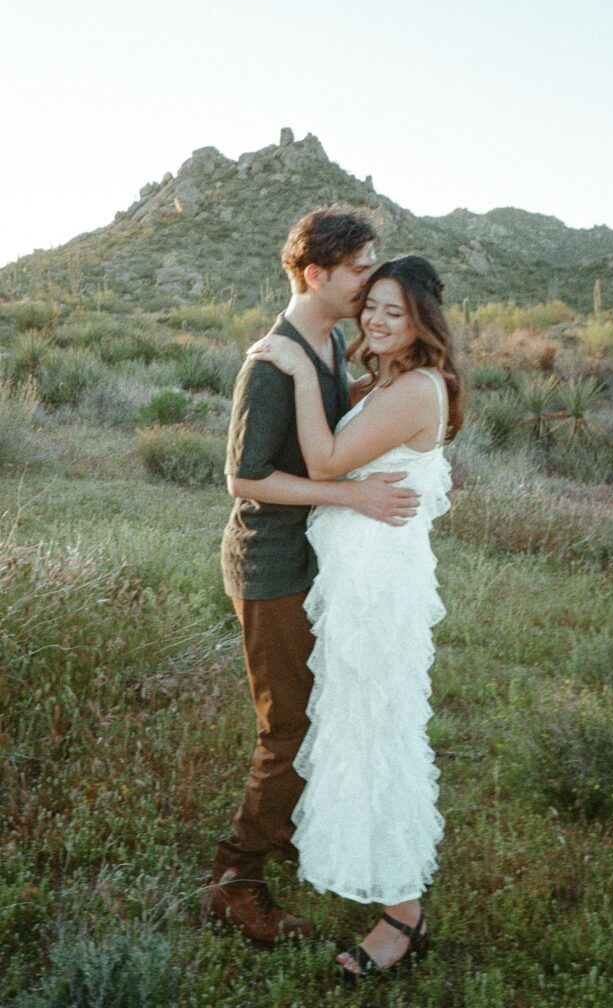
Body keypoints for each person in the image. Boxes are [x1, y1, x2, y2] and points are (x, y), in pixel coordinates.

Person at [201, 207, 422, 948]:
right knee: (289, 729)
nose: (370, 280)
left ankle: (296, 834)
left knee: (318, 714)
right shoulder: (273, 361)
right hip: (270, 569)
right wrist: (350, 493)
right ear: (315, 273)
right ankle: (235, 881)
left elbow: (321, 427)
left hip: (311, 564)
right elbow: (245, 478)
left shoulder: (327, 343)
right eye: (359, 268)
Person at [247, 254, 464, 978]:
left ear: (422, 322)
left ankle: (402, 914)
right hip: (354, 577)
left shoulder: (416, 388)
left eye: (393, 311)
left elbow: (326, 460)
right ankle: (384, 884)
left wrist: (298, 369)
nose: (375, 319)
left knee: (376, 729)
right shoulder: (387, 381)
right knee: (356, 721)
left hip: (377, 586)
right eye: (370, 304)